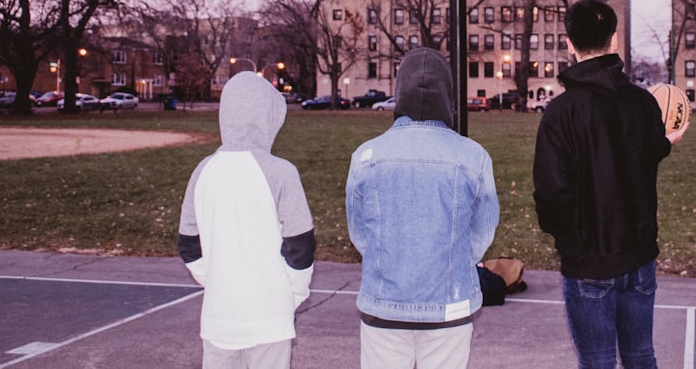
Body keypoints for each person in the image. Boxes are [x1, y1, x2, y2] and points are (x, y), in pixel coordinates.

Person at [533, 0, 684, 369]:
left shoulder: (560, 113)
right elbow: (644, 155)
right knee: (641, 357)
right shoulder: (643, 103)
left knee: (598, 362)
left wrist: (570, 242)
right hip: (639, 257)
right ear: (613, 41)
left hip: (590, 262)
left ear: (569, 43)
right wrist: (667, 142)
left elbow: (552, 195)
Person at [346, 47, 500, 369]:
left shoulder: (367, 156)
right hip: (448, 304)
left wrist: (390, 261)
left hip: (384, 304)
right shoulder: (472, 157)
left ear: (399, 91)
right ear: (448, 95)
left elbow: (360, 234)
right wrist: (451, 261)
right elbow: (482, 232)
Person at [178, 71, 315, 368]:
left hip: (218, 317)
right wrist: (291, 293)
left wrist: (215, 278)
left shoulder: (204, 170)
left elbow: (188, 242)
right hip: (269, 318)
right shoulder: (281, 172)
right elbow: (301, 245)